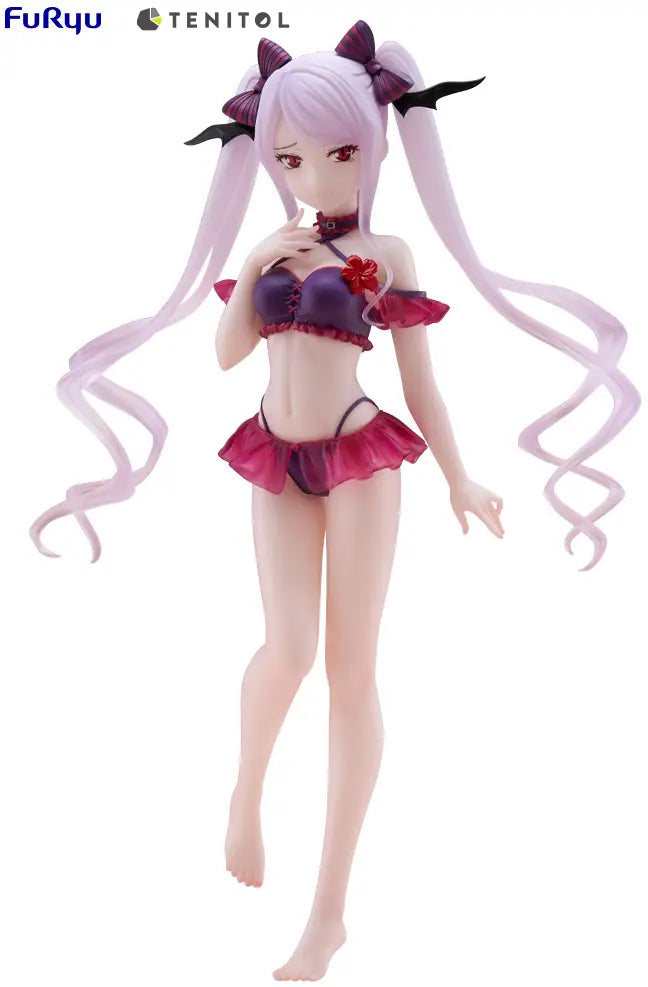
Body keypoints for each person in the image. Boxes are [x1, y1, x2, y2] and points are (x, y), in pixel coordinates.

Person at [29, 19, 640, 982]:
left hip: (360, 455)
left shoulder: (388, 252)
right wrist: (256, 263)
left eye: (340, 153)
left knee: (351, 673)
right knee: (286, 650)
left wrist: (459, 473)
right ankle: (245, 793)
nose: (315, 175)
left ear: (376, 144)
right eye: (291, 158)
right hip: (274, 453)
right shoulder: (272, 248)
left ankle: (328, 913)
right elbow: (227, 355)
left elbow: (421, 381)